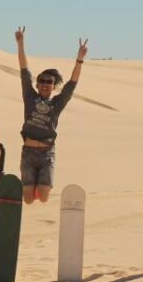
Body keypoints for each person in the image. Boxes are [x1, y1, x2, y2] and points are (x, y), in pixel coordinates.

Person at [15, 27, 88, 203]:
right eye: (42, 81)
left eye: (49, 82)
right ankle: (32, 185)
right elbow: (24, 70)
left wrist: (79, 60)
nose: (45, 84)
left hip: (47, 153)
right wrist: (20, 44)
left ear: (54, 87)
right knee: (28, 200)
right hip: (28, 153)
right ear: (37, 85)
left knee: (43, 197)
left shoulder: (57, 103)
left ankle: (40, 184)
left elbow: (72, 84)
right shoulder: (30, 96)